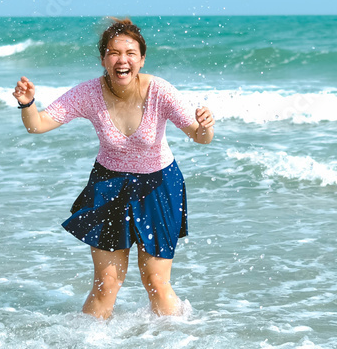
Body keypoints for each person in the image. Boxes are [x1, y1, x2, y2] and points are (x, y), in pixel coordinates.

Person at [13, 18, 214, 319]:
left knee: (156, 283)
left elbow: (200, 137)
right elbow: (38, 125)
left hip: (158, 186)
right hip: (109, 187)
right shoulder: (88, 93)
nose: (123, 60)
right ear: (103, 59)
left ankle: (175, 348)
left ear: (142, 59)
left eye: (131, 53)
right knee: (107, 284)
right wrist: (27, 104)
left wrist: (206, 126)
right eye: (114, 53)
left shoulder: (160, 91)